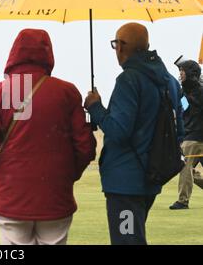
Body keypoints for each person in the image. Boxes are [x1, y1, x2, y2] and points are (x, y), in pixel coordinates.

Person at [0, 28, 96, 245]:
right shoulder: (68, 92)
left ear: (14, 55)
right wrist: (67, 176)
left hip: (11, 197)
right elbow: (85, 147)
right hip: (56, 197)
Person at [84, 23, 184, 245]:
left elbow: (118, 131)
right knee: (132, 237)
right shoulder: (170, 82)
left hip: (124, 183)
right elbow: (180, 131)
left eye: (115, 44)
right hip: (152, 177)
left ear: (121, 46)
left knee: (127, 241)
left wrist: (95, 107)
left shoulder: (129, 80)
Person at [169, 60, 203, 210]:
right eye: (180, 70)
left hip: (195, 136)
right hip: (192, 136)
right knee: (186, 167)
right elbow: (184, 109)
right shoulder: (185, 92)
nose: (180, 73)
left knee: (184, 166)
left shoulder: (199, 91)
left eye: (183, 71)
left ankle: (183, 201)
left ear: (191, 73)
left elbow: (191, 106)